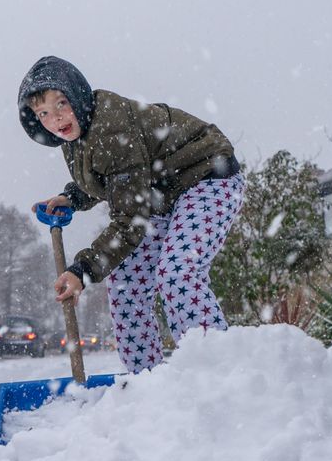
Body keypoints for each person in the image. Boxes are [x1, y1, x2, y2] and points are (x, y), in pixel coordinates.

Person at [18, 55, 245, 373]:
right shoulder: (76, 137)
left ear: (78, 95)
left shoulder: (110, 127)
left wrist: (82, 271)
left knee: (177, 273)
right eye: (42, 113)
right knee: (127, 284)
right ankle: (146, 384)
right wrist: (72, 198)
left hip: (206, 176)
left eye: (61, 103)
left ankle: (217, 374)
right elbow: (112, 178)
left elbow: (129, 220)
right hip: (161, 195)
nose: (55, 118)